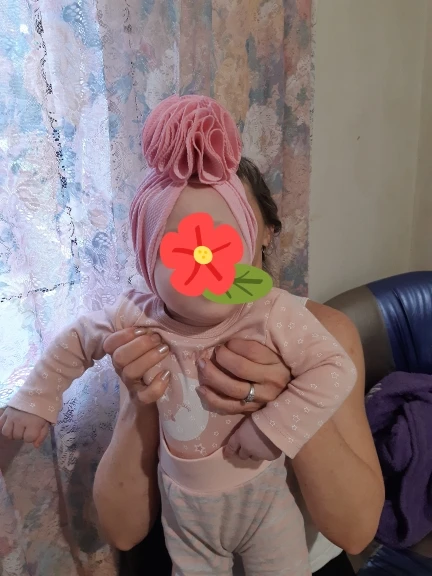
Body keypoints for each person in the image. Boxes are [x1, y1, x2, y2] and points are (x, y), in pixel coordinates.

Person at [2, 95, 358, 575]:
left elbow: (334, 372)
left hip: (264, 504)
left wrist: (274, 422)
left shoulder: (278, 316)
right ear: (148, 259)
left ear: (262, 235)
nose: (205, 259)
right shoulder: (136, 319)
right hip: (186, 513)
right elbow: (77, 341)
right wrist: (36, 398)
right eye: (184, 243)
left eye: (223, 238)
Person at [93, 149, 385, 572]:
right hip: (193, 548)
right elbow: (122, 532)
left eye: (227, 222)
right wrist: (139, 400)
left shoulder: (327, 333)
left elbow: (356, 531)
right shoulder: (153, 331)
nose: (206, 247)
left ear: (264, 231)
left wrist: (290, 401)